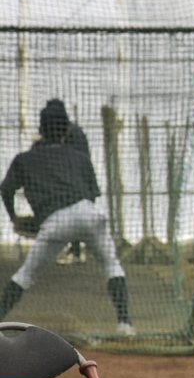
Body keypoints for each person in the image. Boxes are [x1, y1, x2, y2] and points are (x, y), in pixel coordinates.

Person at [0, 103, 134, 335]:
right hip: (90, 215)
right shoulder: (79, 157)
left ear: (40, 130)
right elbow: (91, 195)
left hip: (56, 222)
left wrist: (14, 219)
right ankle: (125, 324)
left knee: (26, 275)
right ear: (67, 131)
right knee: (111, 265)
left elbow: (6, 189)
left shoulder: (25, 159)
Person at [39, 99, 91, 265]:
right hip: (82, 178)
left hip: (67, 179)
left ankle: (72, 250)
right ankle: (76, 250)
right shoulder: (77, 130)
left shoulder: (61, 130)